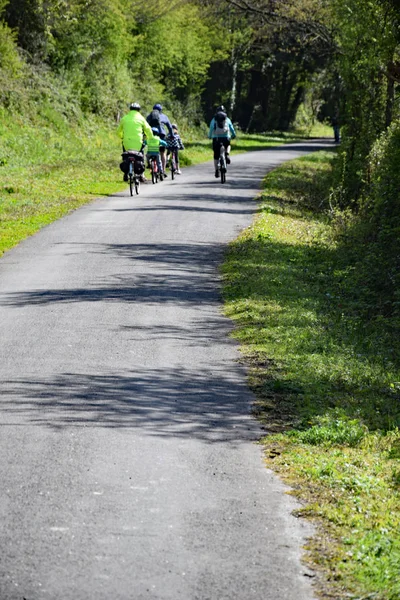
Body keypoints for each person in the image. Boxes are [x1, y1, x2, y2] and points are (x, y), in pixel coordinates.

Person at [117, 102, 154, 182]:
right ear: (139, 110)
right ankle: (141, 174)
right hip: (138, 142)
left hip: (127, 142)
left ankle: (126, 173)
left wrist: (122, 137)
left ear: (130, 109)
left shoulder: (125, 118)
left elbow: (118, 132)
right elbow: (149, 130)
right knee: (140, 155)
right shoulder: (141, 119)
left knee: (125, 154)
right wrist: (148, 138)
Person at [208, 105, 236, 178]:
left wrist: (210, 136)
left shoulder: (214, 119)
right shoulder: (227, 119)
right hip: (226, 138)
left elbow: (211, 129)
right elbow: (231, 128)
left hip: (216, 138)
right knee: (228, 145)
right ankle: (227, 154)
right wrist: (233, 135)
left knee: (216, 155)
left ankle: (217, 170)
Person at [146, 103, 174, 175]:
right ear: (161, 110)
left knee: (151, 150)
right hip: (162, 135)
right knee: (162, 153)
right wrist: (172, 135)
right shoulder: (164, 116)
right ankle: (163, 170)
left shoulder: (150, 116)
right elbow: (170, 127)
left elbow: (145, 126)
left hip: (152, 135)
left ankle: (151, 166)